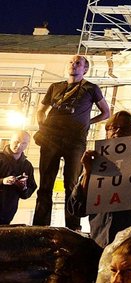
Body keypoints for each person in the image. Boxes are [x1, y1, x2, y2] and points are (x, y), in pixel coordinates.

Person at [66, 111, 131, 248]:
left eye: (124, 128)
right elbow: (77, 208)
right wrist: (87, 172)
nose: (116, 131)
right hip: (101, 242)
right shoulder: (98, 161)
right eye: (111, 128)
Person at [34, 54, 111, 228]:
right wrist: (42, 126)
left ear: (85, 69)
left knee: (72, 184)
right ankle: (40, 226)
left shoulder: (91, 88)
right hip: (50, 139)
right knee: (45, 184)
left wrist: (87, 122)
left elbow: (106, 112)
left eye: (78, 63)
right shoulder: (55, 87)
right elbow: (40, 110)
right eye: (71, 62)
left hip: (75, 140)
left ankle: (73, 227)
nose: (73, 65)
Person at [0, 130, 36, 224]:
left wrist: (23, 188)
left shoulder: (27, 166)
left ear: (27, 144)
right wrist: (2, 181)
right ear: (10, 140)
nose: (19, 146)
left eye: (24, 143)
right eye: (16, 141)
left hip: (7, 214)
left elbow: (27, 193)